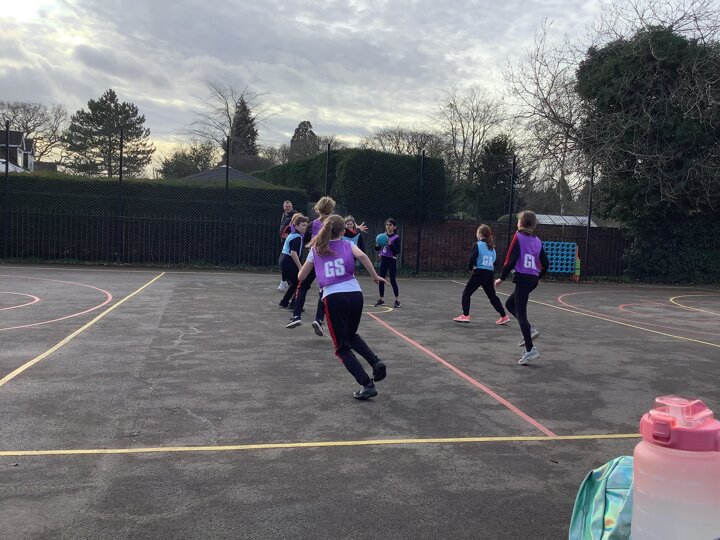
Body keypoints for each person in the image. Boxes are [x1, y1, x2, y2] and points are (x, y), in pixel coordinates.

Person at [298, 214, 389, 400]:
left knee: (341, 348)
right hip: (355, 293)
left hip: (333, 296)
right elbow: (362, 256)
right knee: (351, 335)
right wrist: (374, 276)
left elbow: (301, 277)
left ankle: (366, 384)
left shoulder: (316, 249)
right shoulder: (348, 244)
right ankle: (376, 362)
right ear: (342, 231)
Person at [286, 197, 367, 335]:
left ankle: (296, 316)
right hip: (328, 261)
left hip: (315, 258)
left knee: (303, 286)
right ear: (332, 209)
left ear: (318, 208)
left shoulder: (313, 224)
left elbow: (306, 240)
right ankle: (318, 319)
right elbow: (348, 233)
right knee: (326, 289)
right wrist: (357, 229)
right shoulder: (334, 222)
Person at [495, 210, 549, 365]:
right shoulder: (537, 241)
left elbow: (511, 260)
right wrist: (538, 276)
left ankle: (530, 349)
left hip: (524, 278)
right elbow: (546, 264)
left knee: (521, 313)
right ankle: (529, 330)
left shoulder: (518, 237)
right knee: (510, 304)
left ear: (521, 223)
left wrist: (501, 278)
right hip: (532, 279)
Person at [453, 224, 510, 325]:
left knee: (466, 293)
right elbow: (494, 262)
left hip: (479, 272)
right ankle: (504, 316)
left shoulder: (478, 245)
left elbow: (472, 259)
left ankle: (465, 315)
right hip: (489, 273)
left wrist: (471, 268)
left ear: (480, 234)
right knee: (492, 296)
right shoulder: (492, 248)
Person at [278, 214, 309, 308]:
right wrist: (300, 267)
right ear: (296, 225)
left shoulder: (293, 234)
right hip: (288, 261)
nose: (305, 227)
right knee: (298, 282)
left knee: (295, 282)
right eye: (303, 225)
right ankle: (292, 303)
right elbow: (293, 253)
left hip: (283, 259)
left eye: (306, 225)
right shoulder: (297, 237)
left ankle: (285, 302)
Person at [374, 218, 401, 308]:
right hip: (384, 259)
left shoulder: (396, 238)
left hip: (392, 260)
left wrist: (390, 244)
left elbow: (397, 251)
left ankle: (397, 300)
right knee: (381, 279)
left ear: (394, 227)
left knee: (393, 280)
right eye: (387, 225)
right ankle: (381, 299)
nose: (388, 226)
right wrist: (377, 245)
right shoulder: (382, 236)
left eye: (390, 225)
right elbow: (377, 248)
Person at [278, 201, 298, 291]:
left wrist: (289, 236)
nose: (288, 208)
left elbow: (295, 227)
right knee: (285, 261)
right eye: (286, 206)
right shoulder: (284, 215)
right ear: (283, 207)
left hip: (290, 241)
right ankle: (288, 281)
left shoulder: (295, 215)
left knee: (285, 261)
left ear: (292, 206)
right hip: (284, 241)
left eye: (289, 206)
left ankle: (286, 281)